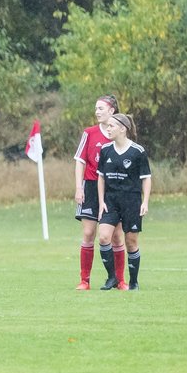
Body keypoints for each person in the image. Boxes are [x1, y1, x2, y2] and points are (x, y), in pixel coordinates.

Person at [97, 112, 151, 291]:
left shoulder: (138, 151)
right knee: (104, 236)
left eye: (111, 126)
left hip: (131, 202)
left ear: (123, 129)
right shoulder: (105, 150)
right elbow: (101, 178)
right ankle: (112, 278)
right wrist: (101, 201)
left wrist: (145, 202)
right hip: (110, 201)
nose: (108, 128)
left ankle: (134, 282)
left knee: (131, 242)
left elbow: (146, 178)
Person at [72, 94, 120, 290]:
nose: (97, 112)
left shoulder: (119, 134)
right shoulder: (89, 133)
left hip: (113, 189)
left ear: (112, 111)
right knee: (89, 232)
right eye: (96, 108)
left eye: (101, 108)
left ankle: (120, 280)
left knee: (116, 236)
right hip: (90, 186)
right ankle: (85, 281)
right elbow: (80, 161)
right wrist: (78, 187)